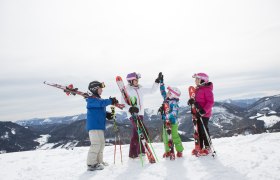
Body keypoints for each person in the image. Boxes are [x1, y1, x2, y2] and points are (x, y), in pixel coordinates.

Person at [122, 72, 160, 159]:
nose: (137, 81)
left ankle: (135, 153)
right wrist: (130, 108)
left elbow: (151, 91)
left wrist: (157, 82)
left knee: (136, 133)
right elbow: (123, 104)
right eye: (135, 80)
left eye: (137, 79)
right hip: (131, 114)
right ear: (131, 81)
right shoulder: (126, 90)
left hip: (141, 113)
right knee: (141, 131)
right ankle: (140, 151)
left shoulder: (140, 88)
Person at [86, 81, 119, 171]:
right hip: (94, 126)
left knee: (101, 144)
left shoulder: (97, 100)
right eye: (100, 89)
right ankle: (91, 164)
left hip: (99, 126)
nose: (102, 91)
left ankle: (99, 161)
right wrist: (110, 101)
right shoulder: (91, 100)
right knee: (96, 144)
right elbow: (101, 104)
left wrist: (108, 115)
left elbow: (99, 109)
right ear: (95, 89)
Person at [188, 73, 214, 155]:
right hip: (197, 112)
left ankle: (208, 147)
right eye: (195, 79)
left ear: (203, 80)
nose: (195, 81)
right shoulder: (197, 89)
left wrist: (203, 111)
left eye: (197, 79)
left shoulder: (207, 89)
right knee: (198, 130)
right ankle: (200, 147)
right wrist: (191, 101)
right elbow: (195, 99)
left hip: (204, 114)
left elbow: (210, 102)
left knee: (203, 130)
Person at [158, 74, 184, 158]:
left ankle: (179, 150)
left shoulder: (174, 103)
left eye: (169, 92)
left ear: (173, 95)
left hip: (173, 123)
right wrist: (161, 83)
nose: (167, 93)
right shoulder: (167, 99)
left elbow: (174, 113)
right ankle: (167, 151)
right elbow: (162, 92)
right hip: (166, 122)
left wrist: (165, 116)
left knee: (175, 137)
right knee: (165, 138)